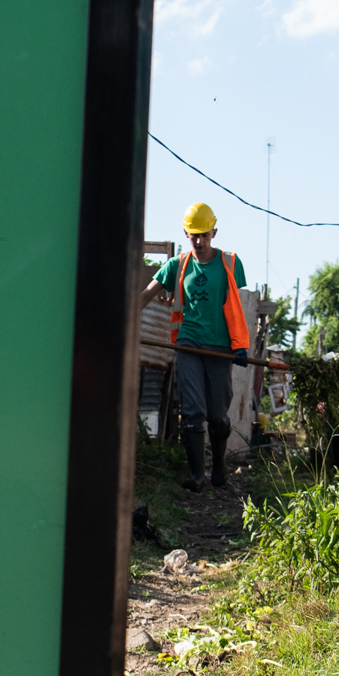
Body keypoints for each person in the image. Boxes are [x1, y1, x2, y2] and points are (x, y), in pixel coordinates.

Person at [145, 201, 254, 492]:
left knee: (217, 415)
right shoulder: (177, 265)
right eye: (194, 234)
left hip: (219, 348)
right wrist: (125, 319)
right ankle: (196, 475)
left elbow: (238, 308)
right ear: (185, 232)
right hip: (189, 344)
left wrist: (240, 345)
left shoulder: (230, 263)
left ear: (214, 232)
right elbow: (146, 295)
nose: (199, 240)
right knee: (193, 411)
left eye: (204, 234)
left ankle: (218, 465)